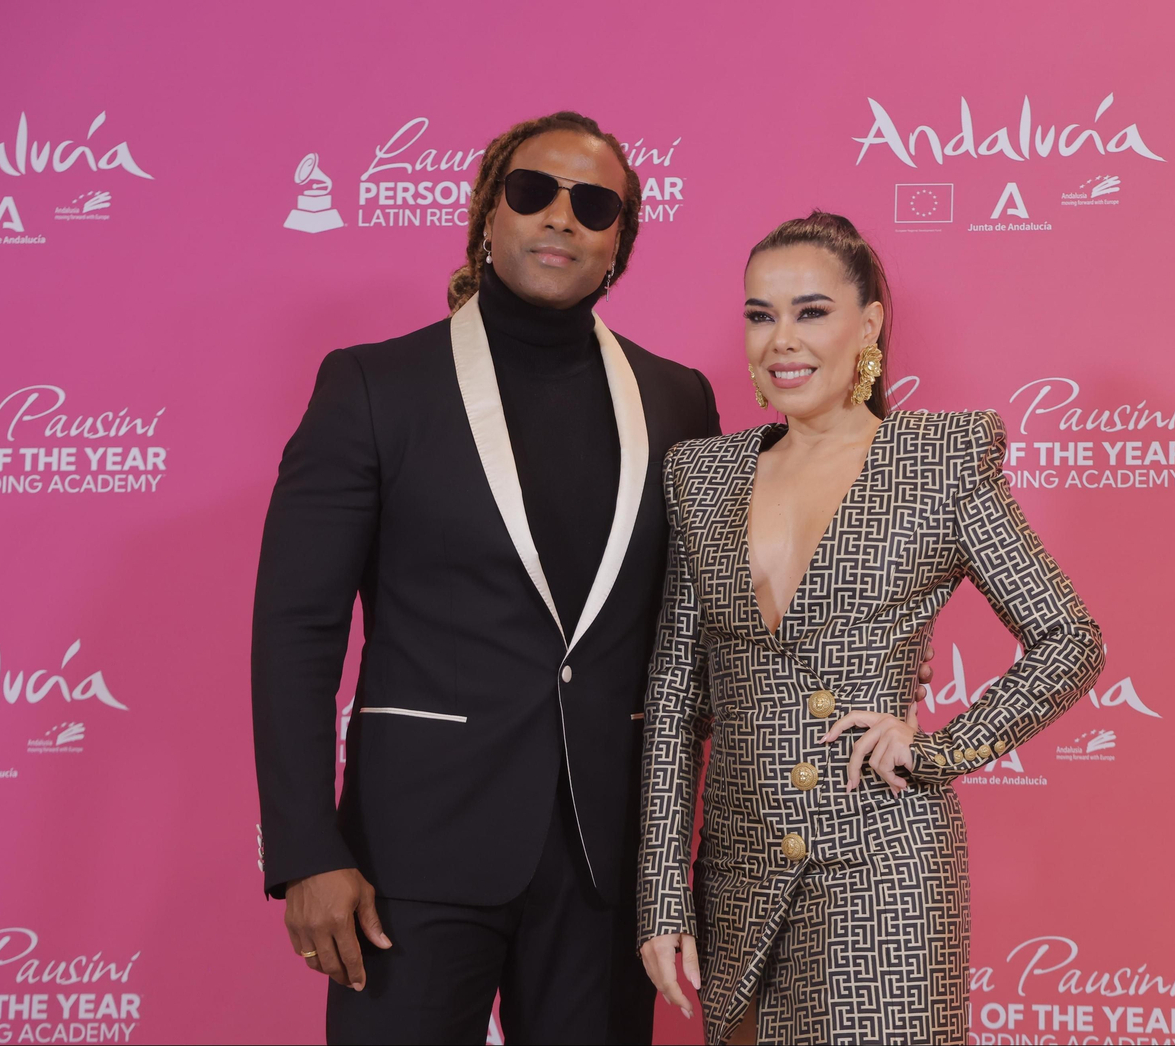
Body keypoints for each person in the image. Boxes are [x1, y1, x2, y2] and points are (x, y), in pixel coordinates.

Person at [251, 111, 723, 1045]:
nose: (561, 219)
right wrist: (307, 850)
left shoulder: (680, 400)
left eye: (594, 206)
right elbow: (295, 632)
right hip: (408, 858)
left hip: (605, 868)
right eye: (532, 191)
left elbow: (696, 636)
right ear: (486, 214)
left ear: (619, 243)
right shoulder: (375, 386)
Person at [636, 212, 1106, 1044]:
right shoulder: (700, 474)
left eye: (811, 311)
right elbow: (674, 701)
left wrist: (941, 750)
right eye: (760, 314)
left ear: (870, 324)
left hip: (883, 868)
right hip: (740, 879)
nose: (781, 340)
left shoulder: (938, 458)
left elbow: (1070, 639)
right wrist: (662, 897)